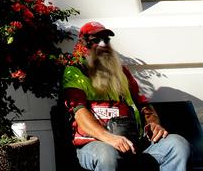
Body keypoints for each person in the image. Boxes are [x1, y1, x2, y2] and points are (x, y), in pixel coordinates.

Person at [62, 21, 190, 171]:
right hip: (96, 143)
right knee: (106, 155)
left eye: (106, 39)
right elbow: (79, 112)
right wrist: (109, 138)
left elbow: (144, 105)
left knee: (178, 144)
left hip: (135, 142)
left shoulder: (122, 72)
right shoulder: (75, 72)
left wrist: (154, 123)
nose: (103, 44)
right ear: (82, 44)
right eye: (96, 40)